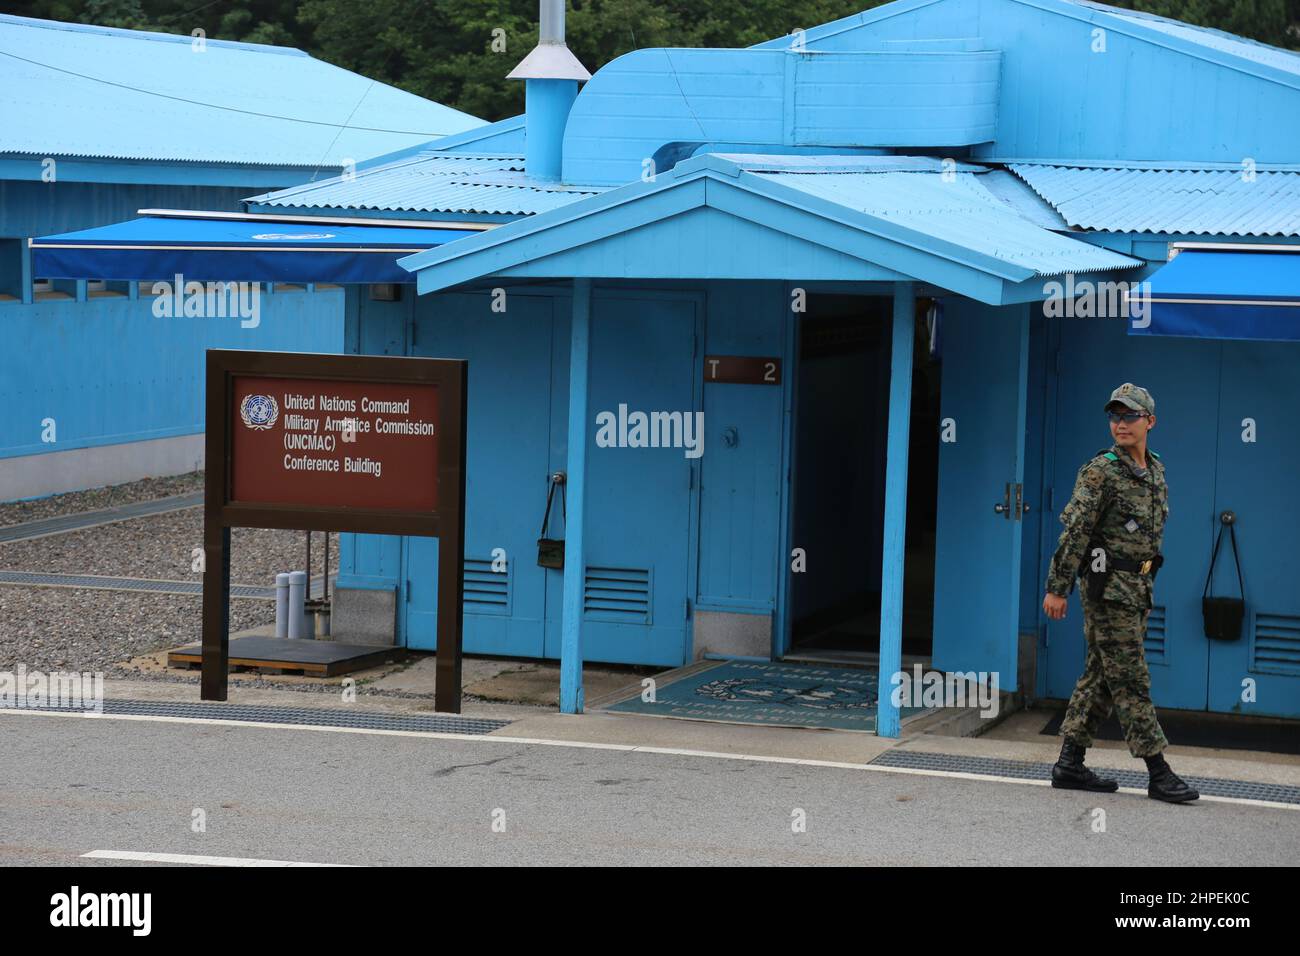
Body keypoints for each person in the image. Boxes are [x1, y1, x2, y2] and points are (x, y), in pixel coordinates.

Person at [1042, 383, 1199, 803]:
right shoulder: (1101, 471)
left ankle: (1069, 764)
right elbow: (1075, 533)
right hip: (1107, 590)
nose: (1121, 424)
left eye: (1130, 416)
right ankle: (1158, 771)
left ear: (1150, 421)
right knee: (1130, 678)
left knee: (1101, 676)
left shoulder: (1156, 471)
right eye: (1115, 416)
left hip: (1138, 590)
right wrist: (1057, 588)